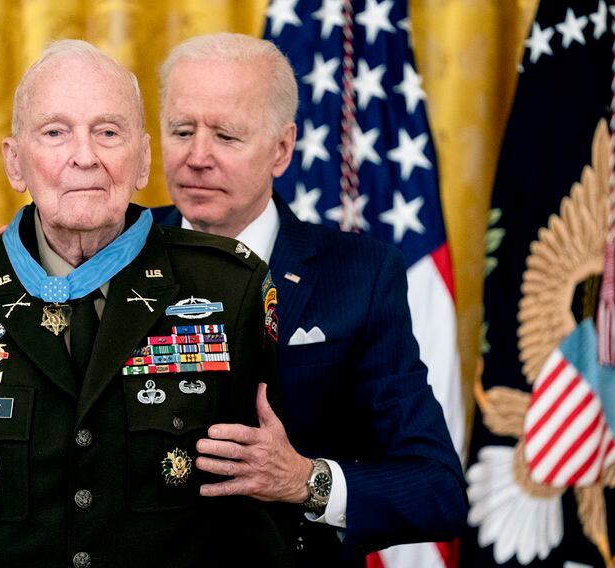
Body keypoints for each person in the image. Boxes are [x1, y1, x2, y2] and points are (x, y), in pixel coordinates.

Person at [0, 39, 293, 567]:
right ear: (15, 162)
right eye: (55, 132)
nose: (84, 156)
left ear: (142, 160)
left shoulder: (231, 289)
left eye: (108, 133)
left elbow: (256, 524)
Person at [154, 33, 468, 566]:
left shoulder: (362, 276)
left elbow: (436, 488)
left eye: (227, 136)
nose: (197, 156)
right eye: (181, 131)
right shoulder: (110, 250)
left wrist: (305, 480)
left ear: (282, 148)